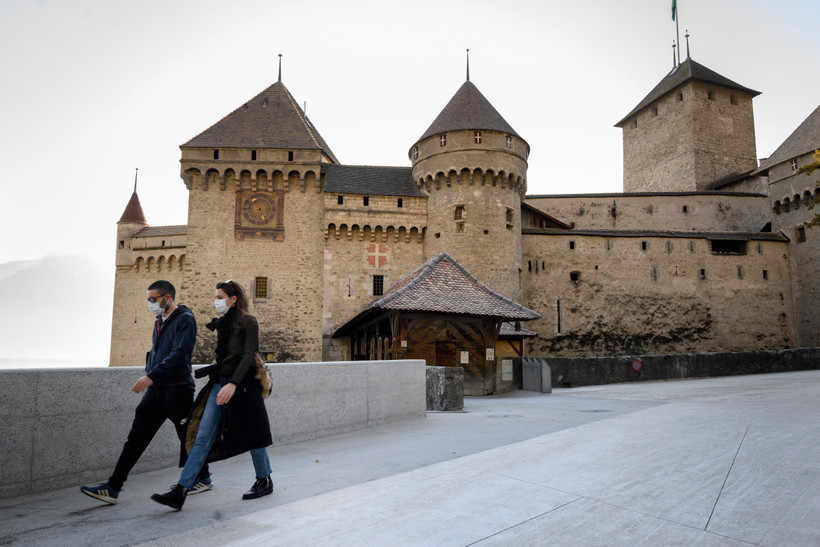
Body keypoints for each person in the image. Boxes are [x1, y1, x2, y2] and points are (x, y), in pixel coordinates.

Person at [80, 280, 212, 505]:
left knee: (187, 437)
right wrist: (149, 370)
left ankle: (203, 477)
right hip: (156, 390)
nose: (150, 303)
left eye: (153, 299)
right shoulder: (159, 321)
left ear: (167, 298)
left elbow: (180, 354)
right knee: (135, 438)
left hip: (177, 390)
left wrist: (152, 375)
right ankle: (113, 487)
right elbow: (157, 351)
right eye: (148, 299)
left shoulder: (185, 320)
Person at [151, 280, 273, 511]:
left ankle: (264, 480)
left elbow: (248, 355)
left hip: (242, 384)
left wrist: (233, 384)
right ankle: (182, 490)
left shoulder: (249, 321)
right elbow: (223, 358)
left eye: (219, 296)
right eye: (215, 296)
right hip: (220, 382)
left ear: (233, 299)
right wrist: (214, 375)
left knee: (253, 434)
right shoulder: (223, 323)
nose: (216, 301)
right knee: (202, 435)